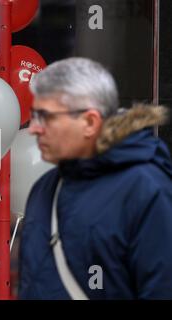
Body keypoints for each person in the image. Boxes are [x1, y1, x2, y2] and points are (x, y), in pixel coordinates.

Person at [18, 57, 172, 299]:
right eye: (33, 116)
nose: (33, 128)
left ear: (90, 122)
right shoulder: (45, 188)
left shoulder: (147, 189)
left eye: (45, 117)